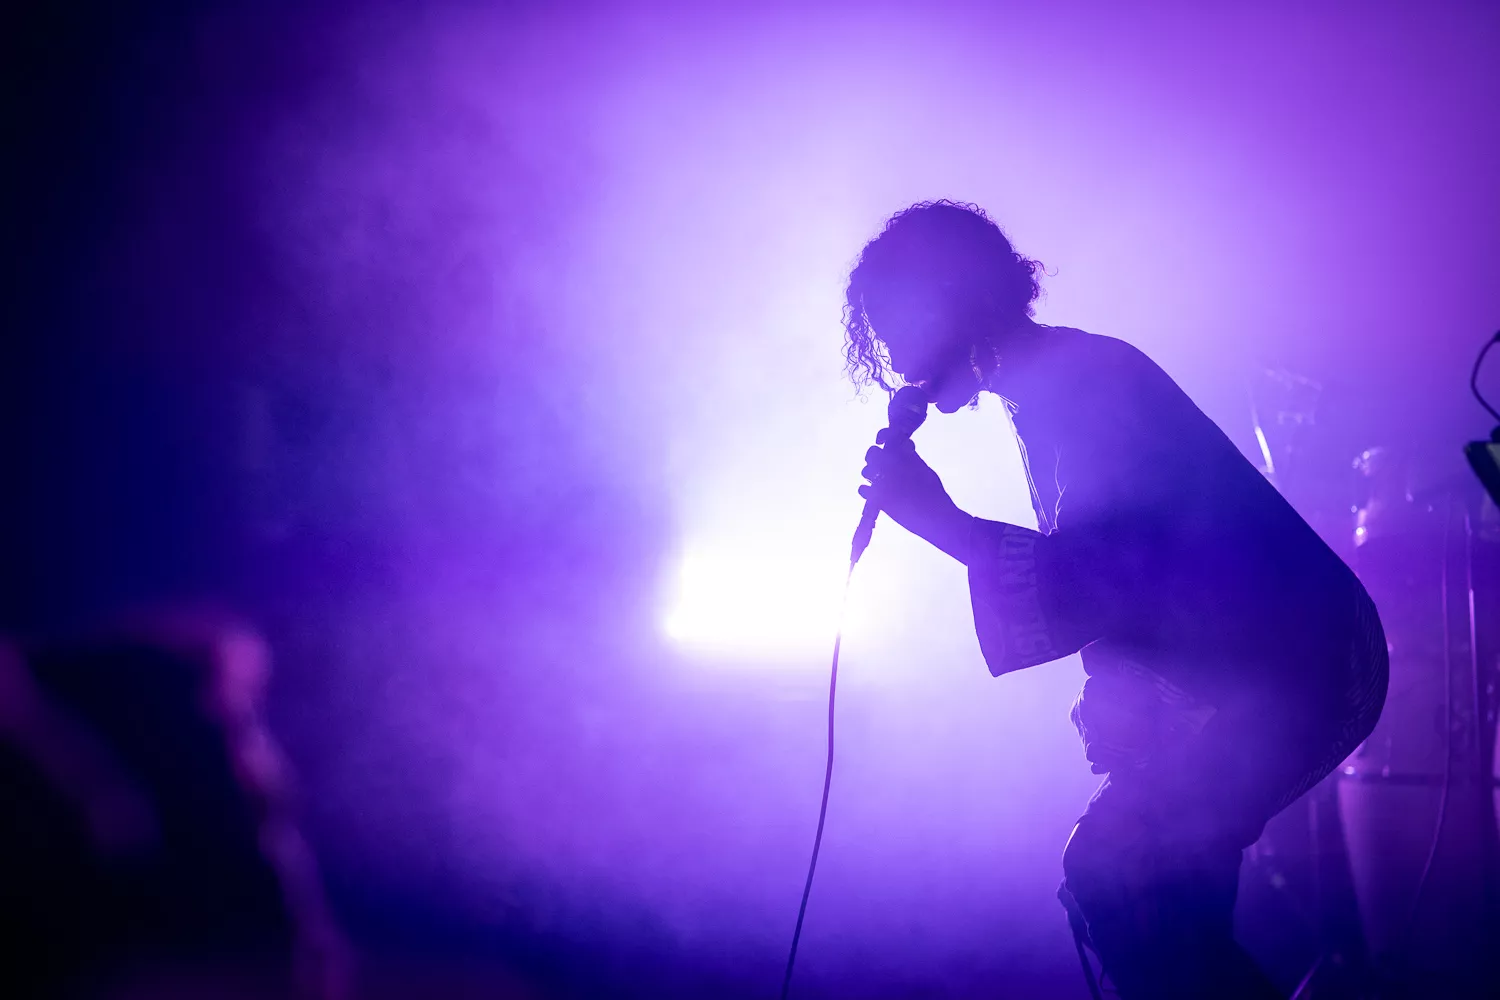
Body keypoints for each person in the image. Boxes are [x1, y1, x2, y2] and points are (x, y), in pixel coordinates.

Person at [847, 201, 1388, 999]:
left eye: (893, 324)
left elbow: (1113, 569)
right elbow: (1142, 570)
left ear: (948, 303)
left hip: (1304, 665)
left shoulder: (1086, 384)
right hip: (1250, 672)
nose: (892, 356)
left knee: (1119, 863)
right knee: (1149, 887)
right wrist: (1123, 692)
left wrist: (947, 525)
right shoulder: (1046, 391)